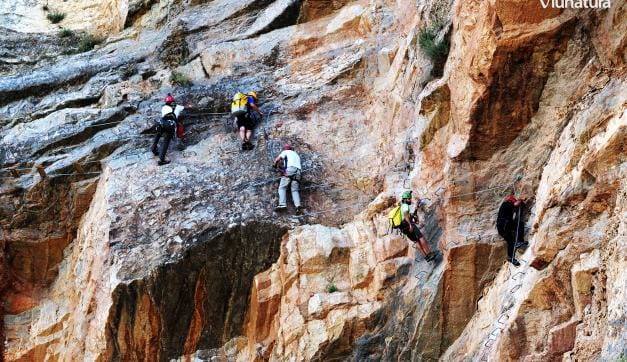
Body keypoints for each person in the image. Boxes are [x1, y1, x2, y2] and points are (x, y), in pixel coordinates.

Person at [397, 191, 437, 262]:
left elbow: (406, 216)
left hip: (403, 227)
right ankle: (429, 253)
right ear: (406, 199)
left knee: (416, 241)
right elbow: (406, 215)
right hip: (408, 224)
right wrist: (410, 225)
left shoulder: (401, 207)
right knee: (421, 237)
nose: (410, 200)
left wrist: (416, 209)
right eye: (409, 199)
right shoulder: (405, 205)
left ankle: (426, 257)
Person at [151, 93, 186, 166]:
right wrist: (190, 106)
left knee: (158, 135)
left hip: (161, 122)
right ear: (173, 101)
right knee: (166, 141)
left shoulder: (164, 107)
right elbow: (186, 107)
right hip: (170, 124)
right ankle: (161, 159)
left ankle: (154, 149)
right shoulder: (178, 106)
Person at [496, 195, 529, 266]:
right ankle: (519, 241)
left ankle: (510, 257)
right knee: (519, 224)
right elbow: (515, 204)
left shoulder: (505, 207)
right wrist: (521, 199)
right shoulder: (506, 203)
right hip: (505, 225)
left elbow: (515, 207)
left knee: (511, 242)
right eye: (514, 199)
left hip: (502, 228)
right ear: (510, 200)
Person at [273, 145, 302, 213]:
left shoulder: (285, 152)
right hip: (298, 172)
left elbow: (279, 158)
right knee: (294, 190)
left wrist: (274, 164)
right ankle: (298, 206)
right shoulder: (296, 155)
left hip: (290, 169)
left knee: (282, 187)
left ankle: (282, 204)